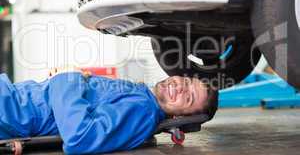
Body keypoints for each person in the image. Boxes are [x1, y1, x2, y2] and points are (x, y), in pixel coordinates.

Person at [0, 67, 218, 154]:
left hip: (11, 110)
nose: (179, 87)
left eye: (187, 97)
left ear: (179, 116)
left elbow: (81, 138)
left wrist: (66, 79)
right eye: (187, 82)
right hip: (12, 98)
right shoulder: (142, 95)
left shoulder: (142, 111)